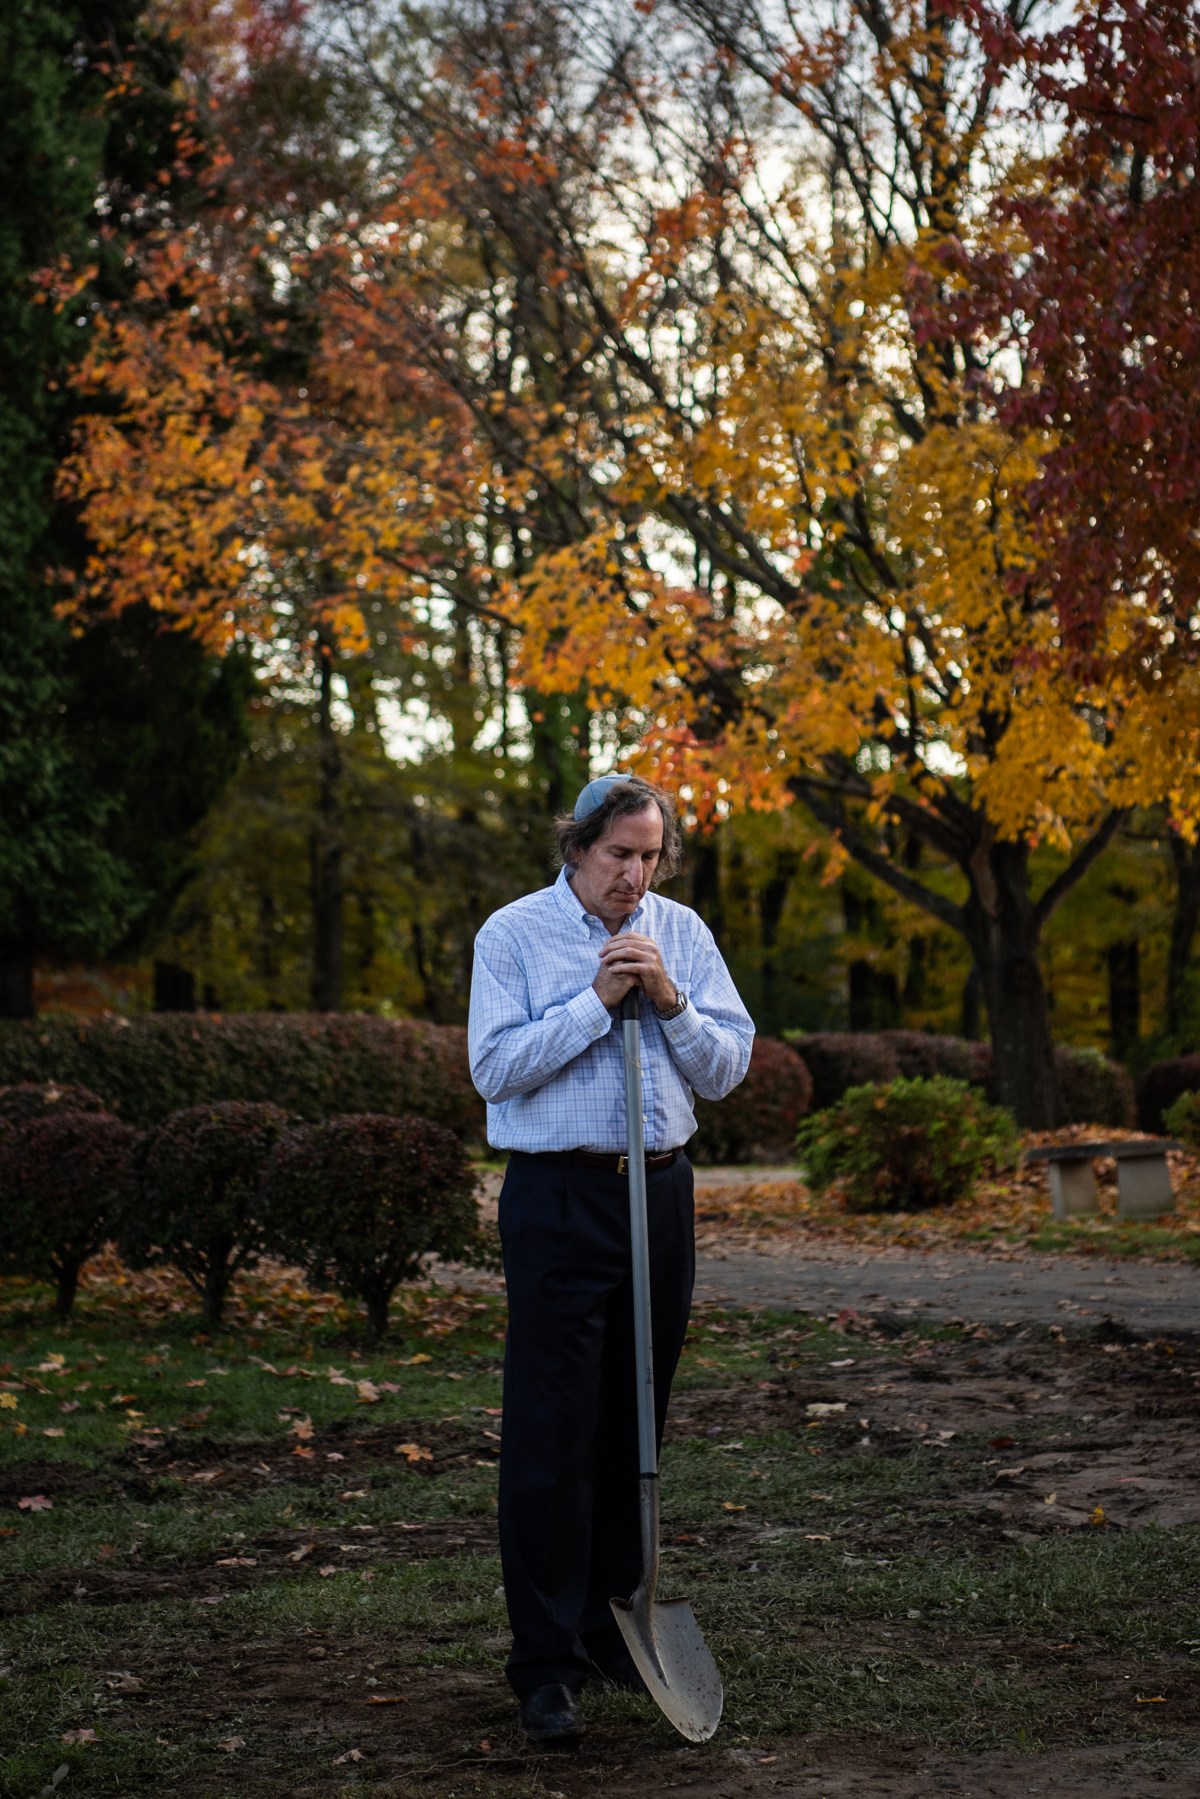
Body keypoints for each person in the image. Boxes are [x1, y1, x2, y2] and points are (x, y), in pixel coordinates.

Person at [468, 772, 754, 1744]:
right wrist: (597, 999)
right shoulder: (512, 935)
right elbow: (495, 1068)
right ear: (576, 849)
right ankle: (544, 1661)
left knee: (635, 1411)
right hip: (561, 1197)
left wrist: (669, 996)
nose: (636, 875)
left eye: (650, 855)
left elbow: (727, 1067)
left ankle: (607, 1623)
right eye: (618, 855)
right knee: (553, 1428)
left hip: (661, 1191)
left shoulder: (684, 932)